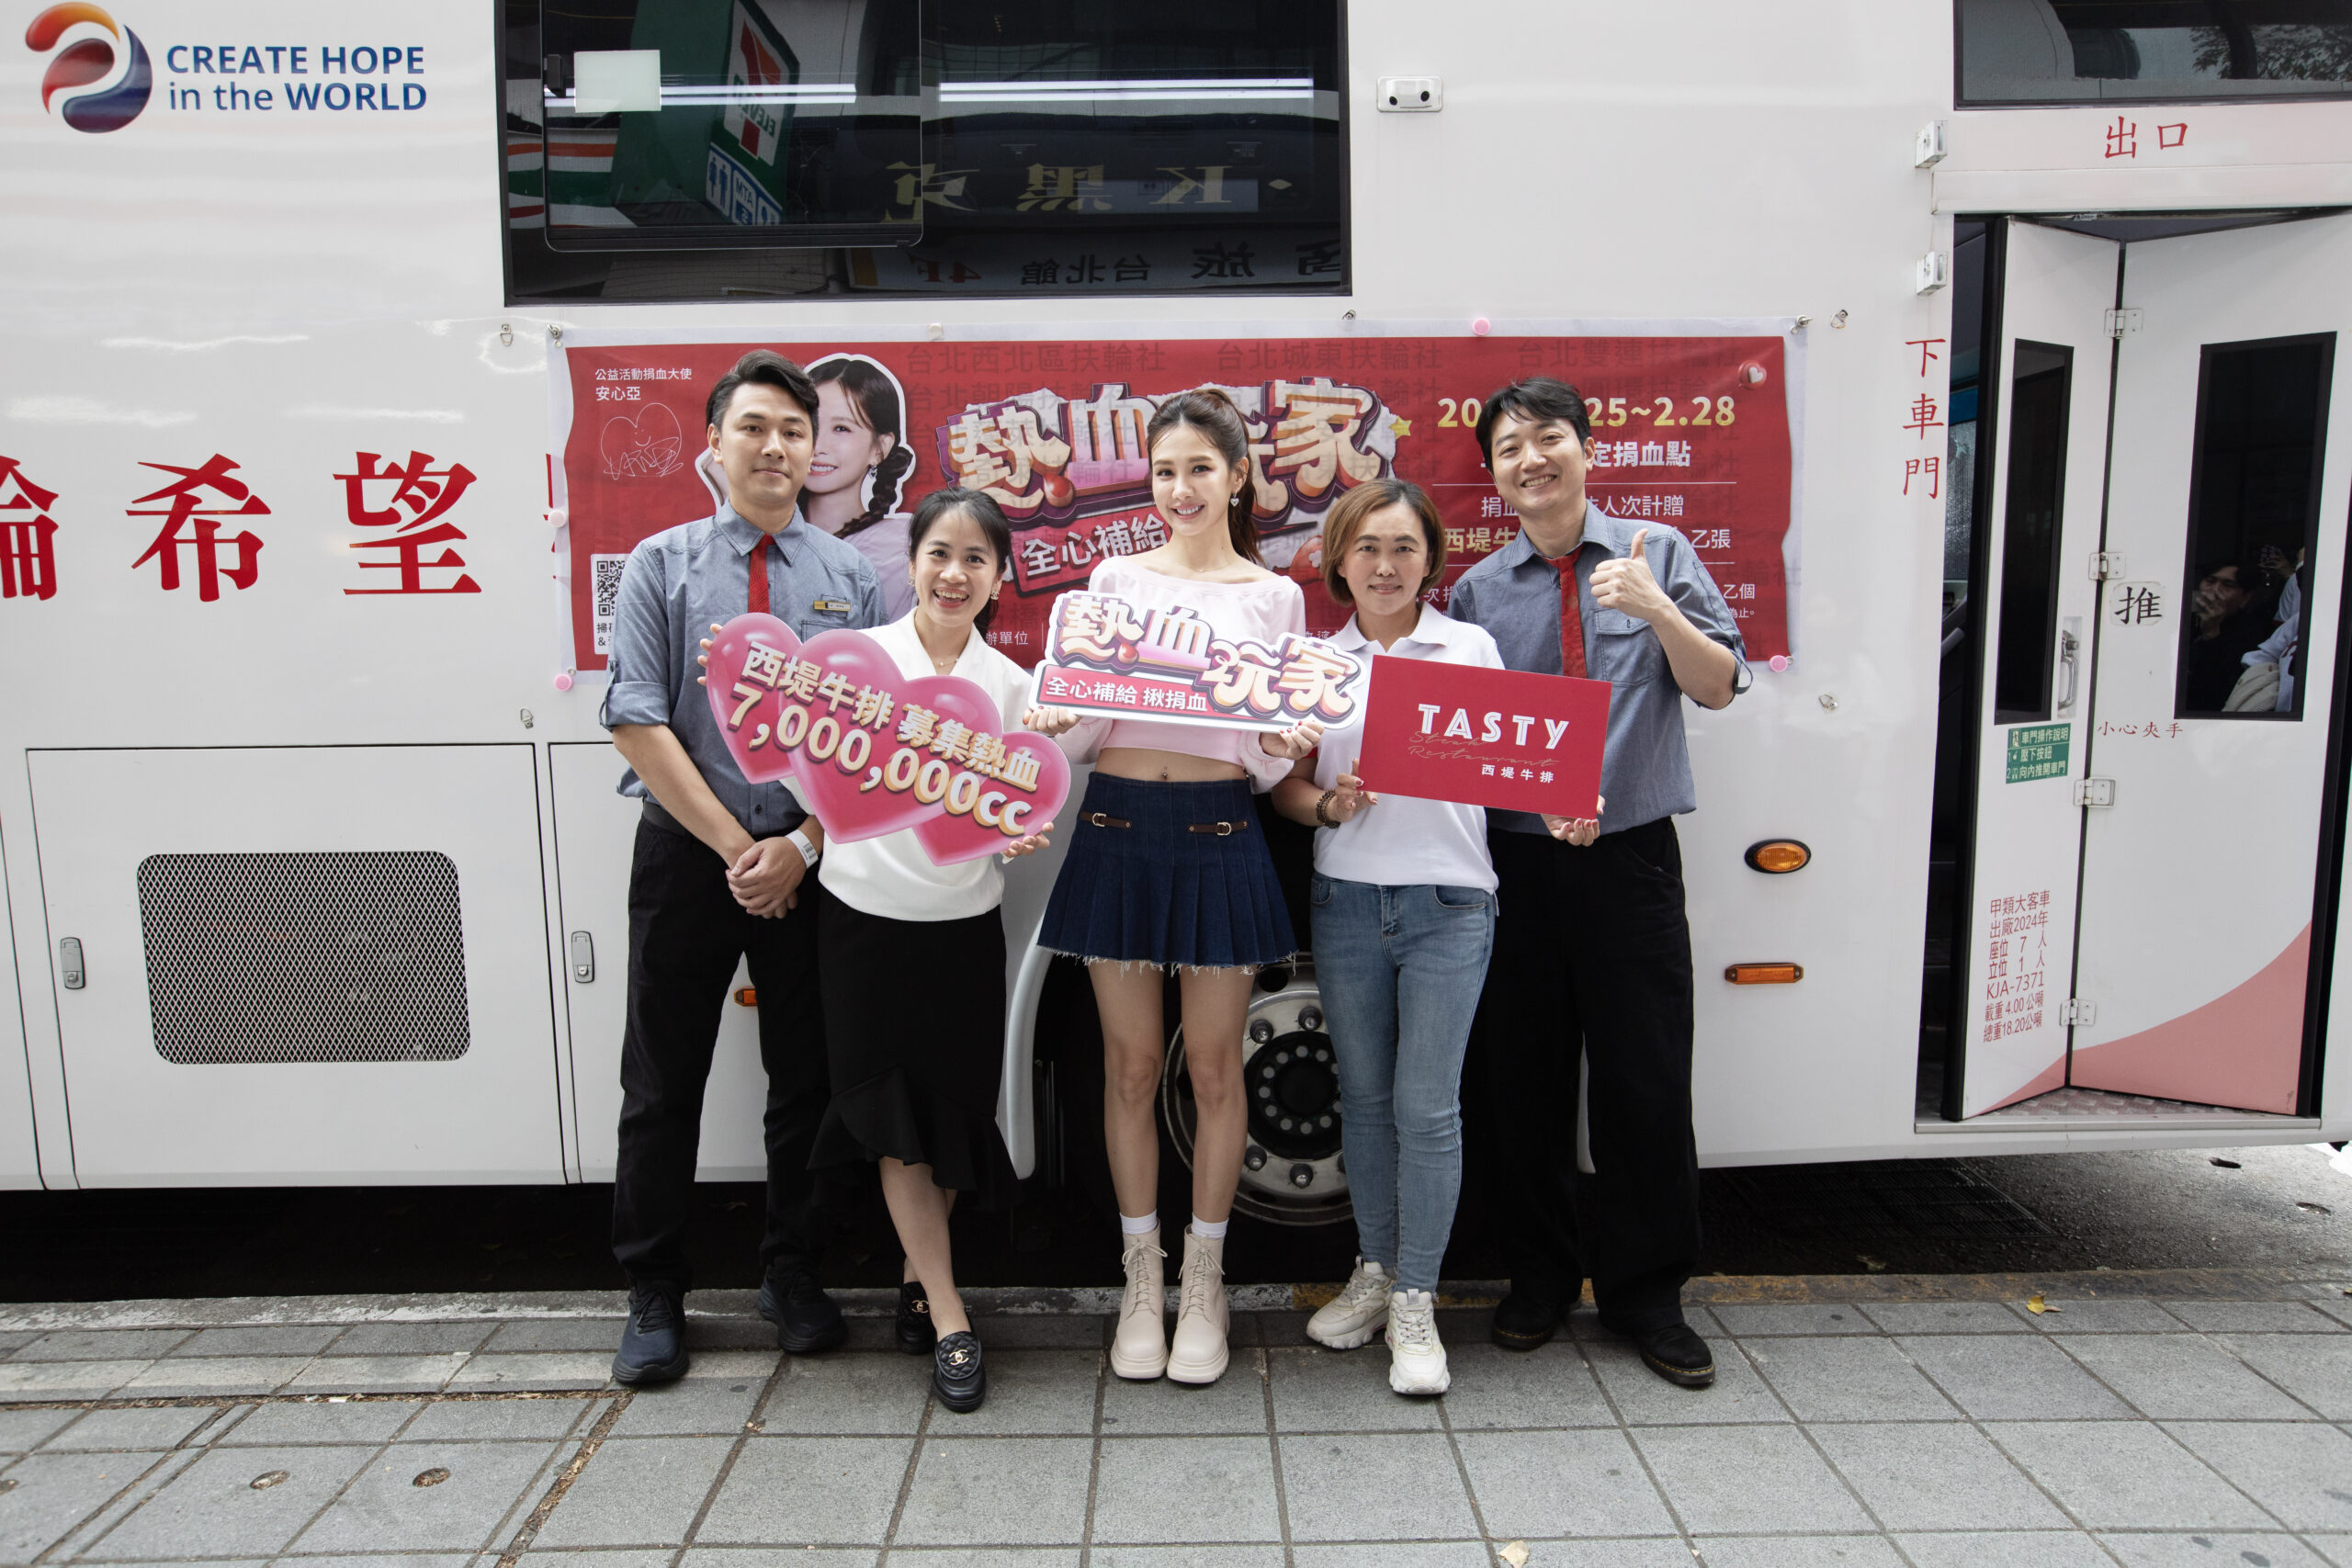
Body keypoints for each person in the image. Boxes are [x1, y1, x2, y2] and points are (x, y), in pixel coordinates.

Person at [1446, 377, 1747, 1389]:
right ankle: (1537, 1278)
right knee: (1518, 1082)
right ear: (1493, 475)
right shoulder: (1479, 593)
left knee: (1644, 1079)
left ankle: (1647, 1295)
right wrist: (1535, 804)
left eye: (1548, 438)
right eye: (1509, 448)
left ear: (1586, 448)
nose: (1530, 459)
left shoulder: (1658, 554)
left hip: (1630, 859)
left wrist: (1657, 609)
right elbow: (1467, 739)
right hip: (1519, 864)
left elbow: (1718, 685)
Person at [1272, 480, 1600, 1395]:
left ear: (1430, 561)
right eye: (1367, 547)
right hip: (1346, 900)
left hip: (1451, 905)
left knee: (1427, 1108)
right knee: (1366, 1103)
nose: (1385, 566)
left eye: (1404, 548)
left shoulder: (1468, 647)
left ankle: (1417, 1296)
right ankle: (1376, 1272)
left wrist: (1563, 805)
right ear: (1338, 561)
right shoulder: (1316, 662)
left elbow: (1517, 763)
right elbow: (1286, 787)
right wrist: (1326, 804)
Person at [600, 349, 888, 1385]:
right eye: (755, 427)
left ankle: (792, 1273)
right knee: (661, 1079)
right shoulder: (660, 564)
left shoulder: (851, 578)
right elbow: (635, 717)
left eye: (795, 431)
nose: (776, 447)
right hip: (691, 857)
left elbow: (872, 738)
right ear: (714, 444)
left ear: (816, 452)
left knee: (806, 1081)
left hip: (811, 861)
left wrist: (800, 846)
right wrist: (738, 848)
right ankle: (653, 1289)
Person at [1029, 389, 1322, 1386]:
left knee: (1213, 1071)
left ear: (1238, 477)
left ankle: (1205, 1282)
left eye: (1200, 468)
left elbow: (1267, 760)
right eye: (1164, 471)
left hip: (1219, 830)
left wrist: (1286, 741)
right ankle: (1139, 1278)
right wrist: (1051, 713)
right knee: (1128, 1068)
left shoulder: (1273, 596)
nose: (1180, 488)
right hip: (1113, 826)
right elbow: (1082, 729)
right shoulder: (1111, 579)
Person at [796, 488, 1053, 1413]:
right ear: (909, 563)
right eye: (940, 553)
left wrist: (1019, 831)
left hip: (961, 930)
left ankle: (915, 1276)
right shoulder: (856, 667)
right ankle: (949, 1314)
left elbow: (1018, 810)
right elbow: (814, 784)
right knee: (895, 1124)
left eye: (976, 558)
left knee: (948, 1118)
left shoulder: (1014, 689)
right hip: (863, 924)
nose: (955, 573)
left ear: (999, 576)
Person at [695, 354, 918, 619]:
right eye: (753, 428)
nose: (820, 445)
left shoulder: (876, 558)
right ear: (716, 441)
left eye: (841, 428)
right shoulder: (667, 562)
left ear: (880, 447)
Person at [2183, 558, 2273, 712]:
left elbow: (2217, 689)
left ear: (2245, 598)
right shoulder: (2183, 618)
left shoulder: (2251, 635)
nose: (2215, 590)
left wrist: (2212, 633)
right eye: (2210, 581)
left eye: (2227, 586)